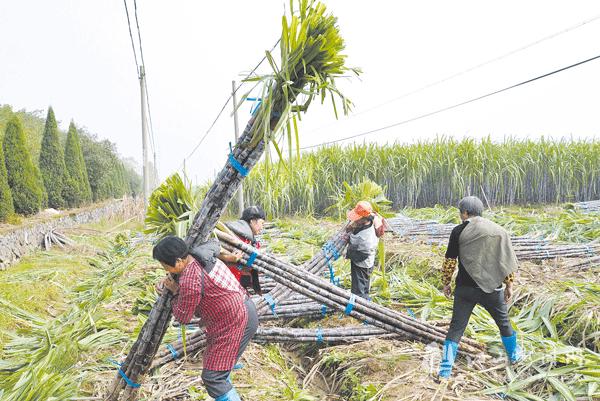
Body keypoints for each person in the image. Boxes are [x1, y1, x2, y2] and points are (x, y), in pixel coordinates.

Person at [154, 236, 258, 401]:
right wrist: (229, 257)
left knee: (213, 377)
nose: (165, 269)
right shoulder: (200, 252)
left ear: (179, 261)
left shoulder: (189, 279)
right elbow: (215, 245)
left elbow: (183, 317)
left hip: (237, 320)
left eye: (165, 265)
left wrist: (175, 291)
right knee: (220, 370)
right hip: (244, 311)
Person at [438, 196, 521, 379]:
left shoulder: (458, 231)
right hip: (492, 289)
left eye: (461, 212)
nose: (460, 215)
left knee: (456, 329)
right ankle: (515, 357)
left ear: (465, 213)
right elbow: (504, 260)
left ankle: (444, 371)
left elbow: (450, 261)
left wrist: (446, 282)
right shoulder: (498, 231)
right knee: (504, 324)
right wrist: (509, 284)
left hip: (465, 290)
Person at [218, 205, 266, 295]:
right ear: (252, 221)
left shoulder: (249, 239)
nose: (262, 227)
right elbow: (240, 265)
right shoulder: (240, 239)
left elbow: (246, 264)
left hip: (237, 279)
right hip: (231, 283)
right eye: (262, 223)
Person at [345, 201, 382, 300]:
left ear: (363, 218)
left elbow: (352, 241)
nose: (355, 220)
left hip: (361, 260)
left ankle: (360, 306)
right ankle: (365, 298)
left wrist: (348, 238)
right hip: (369, 258)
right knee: (365, 283)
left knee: (359, 288)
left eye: (357, 218)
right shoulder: (372, 219)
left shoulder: (363, 238)